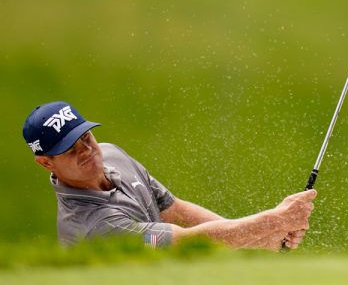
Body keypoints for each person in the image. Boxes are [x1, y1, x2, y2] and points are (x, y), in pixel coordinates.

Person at [22, 101, 316, 250]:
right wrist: (275, 221)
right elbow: (184, 241)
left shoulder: (111, 154)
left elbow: (173, 210)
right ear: (46, 163)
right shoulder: (93, 227)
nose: (86, 150)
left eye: (85, 137)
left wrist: (259, 238)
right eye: (69, 149)